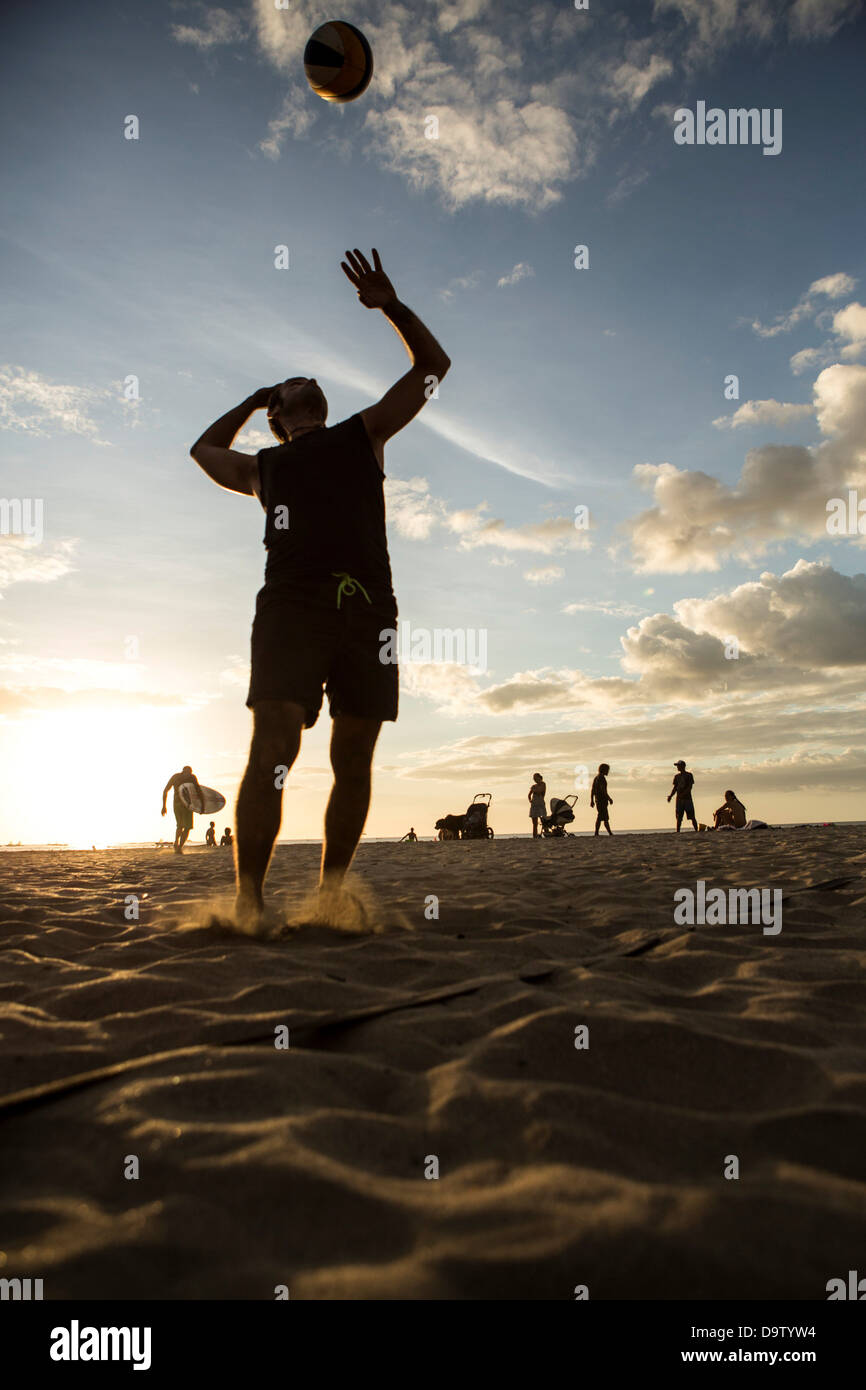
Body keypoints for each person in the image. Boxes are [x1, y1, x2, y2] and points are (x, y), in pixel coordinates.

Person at [190, 248, 450, 930]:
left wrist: (390, 307)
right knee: (272, 746)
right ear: (279, 414)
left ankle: (331, 892)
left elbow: (432, 370)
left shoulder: (362, 434)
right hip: (291, 609)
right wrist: (251, 400)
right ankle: (249, 900)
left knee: (354, 753)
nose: (301, 382)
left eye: (306, 382)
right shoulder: (264, 467)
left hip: (371, 612)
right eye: (287, 387)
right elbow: (202, 451)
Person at [161, 765, 202, 853]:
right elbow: (165, 790)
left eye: (189, 773)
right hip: (179, 804)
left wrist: (201, 807)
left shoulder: (192, 777)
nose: (187, 775)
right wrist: (164, 806)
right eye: (186, 773)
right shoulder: (176, 777)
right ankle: (176, 843)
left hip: (188, 805)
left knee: (187, 827)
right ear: (182, 771)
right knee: (180, 825)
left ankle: (179, 846)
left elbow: (198, 791)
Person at [667, 760, 698, 832]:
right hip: (679, 800)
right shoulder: (676, 776)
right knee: (678, 817)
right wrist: (670, 796)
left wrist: (683, 794)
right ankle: (678, 831)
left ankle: (696, 830)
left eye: (678, 765)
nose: (677, 767)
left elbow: (690, 787)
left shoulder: (689, 775)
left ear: (683, 766)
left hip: (687, 799)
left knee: (692, 816)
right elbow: (675, 788)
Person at [590, 763, 613, 836]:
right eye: (607, 770)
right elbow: (603, 790)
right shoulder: (601, 778)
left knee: (603, 817)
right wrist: (609, 798)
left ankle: (606, 832)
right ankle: (600, 833)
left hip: (598, 800)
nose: (608, 771)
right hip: (601, 800)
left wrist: (592, 800)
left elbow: (592, 790)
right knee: (602, 817)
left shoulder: (596, 778)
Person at [528, 772, 547, 839]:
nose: (535, 780)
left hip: (540, 804)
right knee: (534, 822)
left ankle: (546, 833)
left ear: (539, 778)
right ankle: (535, 836)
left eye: (536, 778)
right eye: (534, 778)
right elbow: (529, 795)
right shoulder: (534, 786)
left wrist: (534, 789)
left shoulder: (543, 784)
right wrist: (530, 800)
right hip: (534, 804)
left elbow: (540, 791)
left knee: (544, 820)